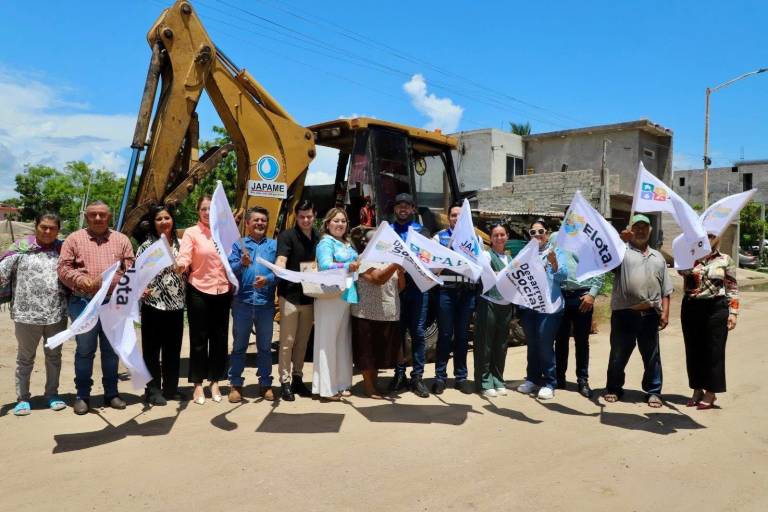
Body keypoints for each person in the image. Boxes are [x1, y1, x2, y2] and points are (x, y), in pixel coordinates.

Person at [58, 201, 135, 415]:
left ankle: (111, 393)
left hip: (113, 302)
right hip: (84, 302)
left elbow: (131, 268)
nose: (98, 218)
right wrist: (81, 279)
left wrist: (134, 285)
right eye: (93, 215)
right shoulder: (74, 239)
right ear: (87, 216)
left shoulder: (121, 240)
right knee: (85, 350)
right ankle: (83, 395)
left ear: (109, 217)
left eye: (102, 215)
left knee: (111, 351)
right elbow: (63, 267)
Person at [0, 213, 67, 416]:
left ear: (58, 230)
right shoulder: (20, 248)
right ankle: (23, 399)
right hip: (26, 315)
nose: (47, 231)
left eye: (52, 228)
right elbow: (1, 272)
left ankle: (52, 394)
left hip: (56, 314)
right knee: (25, 359)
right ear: (35, 226)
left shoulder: (64, 251)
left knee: (54, 357)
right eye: (43, 227)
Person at [603, 214, 672, 408]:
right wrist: (619, 240)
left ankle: (653, 391)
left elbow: (666, 289)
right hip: (624, 313)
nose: (640, 230)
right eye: (637, 227)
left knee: (651, 355)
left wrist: (665, 312)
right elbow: (604, 259)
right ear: (630, 229)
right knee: (618, 353)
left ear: (650, 231)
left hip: (650, 314)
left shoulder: (658, 256)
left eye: (644, 227)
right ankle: (614, 388)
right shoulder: (620, 251)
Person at [176, 195, 232, 405]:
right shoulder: (192, 232)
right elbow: (185, 256)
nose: (208, 213)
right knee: (199, 340)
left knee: (219, 340)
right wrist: (181, 265)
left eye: (211, 209)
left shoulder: (224, 232)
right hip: (198, 289)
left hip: (222, 290)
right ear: (198, 211)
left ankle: (215, 381)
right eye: (204, 209)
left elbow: (232, 257)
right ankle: (198, 384)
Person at [679, 232, 738, 410]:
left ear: (718, 237)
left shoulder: (726, 259)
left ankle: (711, 392)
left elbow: (732, 286)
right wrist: (690, 257)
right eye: (706, 234)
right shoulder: (689, 256)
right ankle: (697, 389)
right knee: (693, 349)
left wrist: (733, 312)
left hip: (716, 308)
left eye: (713, 234)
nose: (709, 237)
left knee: (715, 350)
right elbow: (681, 272)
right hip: (691, 307)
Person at [137, 206, 186, 406]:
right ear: (153, 223)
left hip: (176, 306)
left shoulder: (182, 245)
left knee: (172, 350)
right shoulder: (146, 247)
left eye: (167, 217)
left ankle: (171, 388)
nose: (164, 221)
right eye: (159, 218)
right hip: (153, 305)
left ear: (172, 220)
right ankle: (153, 390)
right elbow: (137, 274)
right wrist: (141, 288)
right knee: (151, 351)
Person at [227, 207, 277, 402]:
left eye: (263, 221)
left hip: (265, 304)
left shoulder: (274, 245)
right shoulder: (239, 245)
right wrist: (242, 263)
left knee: (264, 347)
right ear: (247, 224)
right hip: (242, 303)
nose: (259, 223)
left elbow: (280, 272)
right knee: (239, 346)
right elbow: (229, 270)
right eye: (255, 220)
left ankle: (265, 383)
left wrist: (268, 279)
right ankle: (236, 384)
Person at [549, 228, 605, 398]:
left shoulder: (589, 240)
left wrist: (592, 294)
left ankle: (582, 379)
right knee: (560, 339)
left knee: (582, 340)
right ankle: (559, 378)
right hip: (561, 294)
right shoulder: (555, 238)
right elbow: (549, 264)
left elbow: (599, 268)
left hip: (582, 296)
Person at [516, 219, 567, 400]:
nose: (537, 235)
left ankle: (549, 382)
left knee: (545, 344)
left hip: (550, 307)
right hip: (530, 306)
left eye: (541, 231)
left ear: (547, 232)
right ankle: (532, 379)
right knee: (533, 344)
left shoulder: (556, 252)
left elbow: (563, 277)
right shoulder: (525, 253)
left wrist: (554, 264)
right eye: (533, 232)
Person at [274, 200, 319, 401]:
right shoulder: (287, 236)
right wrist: (278, 267)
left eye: (309, 216)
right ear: (297, 216)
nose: (306, 220)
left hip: (309, 297)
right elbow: (282, 259)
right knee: (287, 342)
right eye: (302, 217)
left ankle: (298, 378)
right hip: (290, 296)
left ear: (314, 215)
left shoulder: (319, 237)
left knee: (302, 342)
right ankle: (284, 381)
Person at [313, 207, 359, 401]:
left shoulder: (347, 243)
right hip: (330, 297)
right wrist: (346, 266)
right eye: (336, 221)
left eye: (343, 221)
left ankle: (342, 383)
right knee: (327, 342)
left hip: (347, 295)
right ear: (327, 223)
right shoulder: (326, 242)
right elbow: (324, 265)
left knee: (342, 342)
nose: (340, 224)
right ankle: (327, 388)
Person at [389, 193, 432, 398]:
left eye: (407, 206)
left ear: (413, 209)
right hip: (394, 288)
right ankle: (399, 374)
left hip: (418, 288)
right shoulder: (387, 231)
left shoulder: (422, 231)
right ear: (395, 209)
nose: (403, 209)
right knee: (397, 333)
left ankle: (417, 377)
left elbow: (428, 258)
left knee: (418, 333)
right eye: (399, 206)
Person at [432, 202, 476, 394]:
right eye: (453, 215)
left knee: (462, 336)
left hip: (466, 291)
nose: (456, 219)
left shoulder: (474, 240)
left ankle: (461, 377)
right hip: (446, 290)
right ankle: (440, 377)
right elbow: (431, 265)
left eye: (460, 215)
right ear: (448, 218)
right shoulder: (439, 238)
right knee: (444, 335)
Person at [352, 258, 406, 398]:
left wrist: (400, 273)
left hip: (388, 313)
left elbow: (400, 287)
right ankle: (369, 388)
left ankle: (374, 385)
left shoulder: (387, 262)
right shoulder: (363, 261)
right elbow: (378, 279)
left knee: (378, 353)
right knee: (367, 353)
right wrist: (395, 264)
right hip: (366, 313)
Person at [474, 223, 515, 397]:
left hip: (506, 306)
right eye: (495, 235)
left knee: (501, 344)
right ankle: (484, 381)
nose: (499, 238)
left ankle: (498, 379)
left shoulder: (510, 259)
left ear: (507, 237)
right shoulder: (486, 255)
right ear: (490, 238)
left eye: (502, 235)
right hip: (489, 303)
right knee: (486, 344)